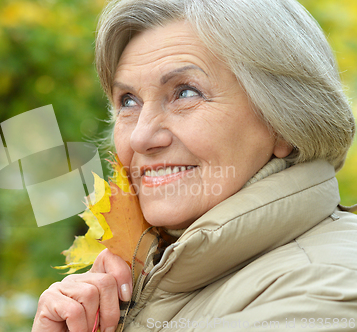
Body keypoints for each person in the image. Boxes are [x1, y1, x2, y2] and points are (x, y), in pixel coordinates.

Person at [32, 0, 357, 331]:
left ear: (283, 122)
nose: (140, 137)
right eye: (128, 101)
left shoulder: (325, 287)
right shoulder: (144, 281)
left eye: (185, 93)